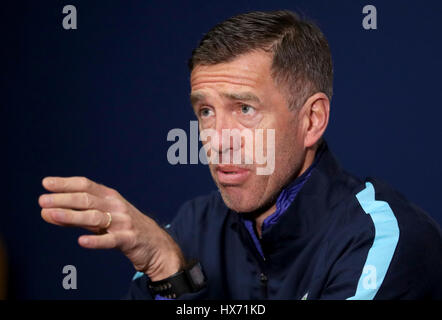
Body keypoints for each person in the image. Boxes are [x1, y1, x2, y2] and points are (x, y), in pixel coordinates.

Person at [39, 10, 442, 300]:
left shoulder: (383, 240)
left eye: (244, 109)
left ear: (312, 121)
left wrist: (176, 277)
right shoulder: (190, 226)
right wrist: (167, 271)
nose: (218, 140)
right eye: (206, 111)